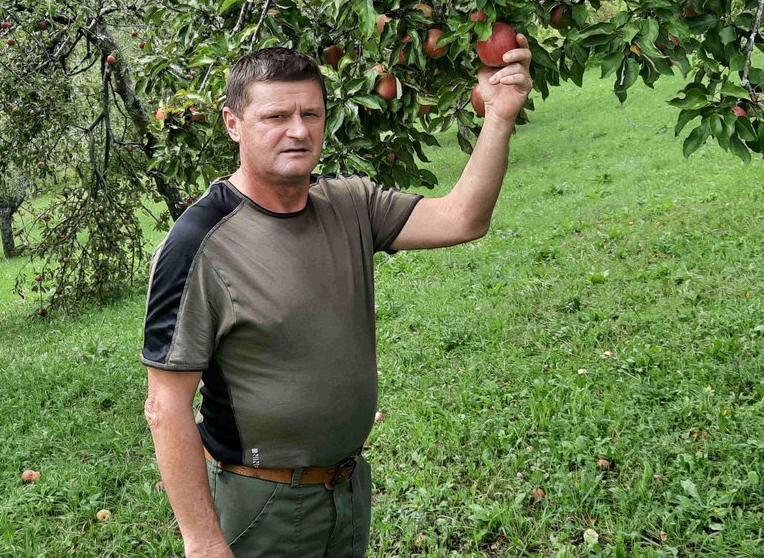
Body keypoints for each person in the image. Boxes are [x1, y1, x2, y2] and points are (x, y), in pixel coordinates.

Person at [141, 40, 533, 558]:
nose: (298, 130)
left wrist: (499, 117)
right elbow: (166, 405)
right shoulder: (199, 243)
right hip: (262, 502)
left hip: (346, 488)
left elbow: (464, 218)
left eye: (311, 114)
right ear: (233, 124)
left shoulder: (350, 203)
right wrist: (204, 542)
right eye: (276, 115)